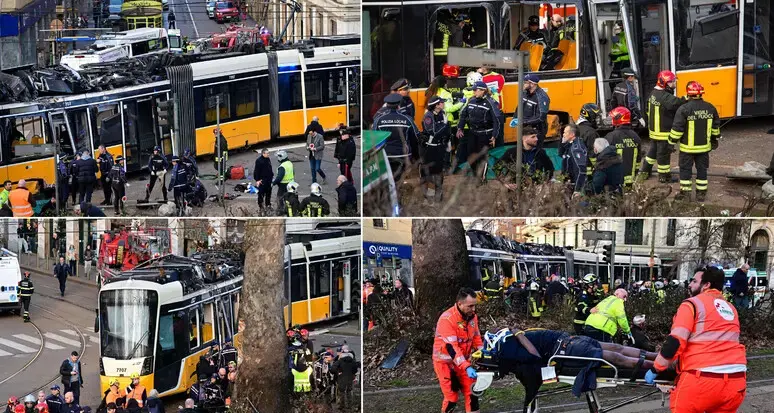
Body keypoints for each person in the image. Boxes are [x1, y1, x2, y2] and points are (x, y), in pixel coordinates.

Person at [645, 267, 747, 412]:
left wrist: (656, 368)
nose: (690, 284)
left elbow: (675, 342)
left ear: (706, 285)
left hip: (701, 379)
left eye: (694, 281)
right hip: (736, 382)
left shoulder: (692, 304)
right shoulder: (730, 309)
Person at [480, 327, 658, 410]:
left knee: (616, 355)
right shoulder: (514, 337)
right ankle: (660, 358)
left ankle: (659, 362)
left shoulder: (512, 344)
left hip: (567, 347)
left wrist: (518, 335)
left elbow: (533, 357)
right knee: (616, 351)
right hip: (570, 341)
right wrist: (517, 333)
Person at [432, 288, 483, 413]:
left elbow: (476, 337)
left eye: (474, 306)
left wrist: (483, 353)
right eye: (470, 306)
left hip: (462, 362)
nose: (473, 309)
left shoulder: (472, 317)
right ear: (460, 304)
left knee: (472, 392)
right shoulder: (447, 320)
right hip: (445, 363)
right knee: (451, 398)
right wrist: (466, 366)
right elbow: (452, 348)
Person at [669, 80, 720, 202]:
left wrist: (670, 143)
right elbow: (715, 128)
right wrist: (714, 140)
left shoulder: (684, 109)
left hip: (687, 149)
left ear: (689, 94)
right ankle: (701, 194)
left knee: (685, 170)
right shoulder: (710, 108)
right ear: (701, 93)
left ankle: (685, 195)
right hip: (704, 149)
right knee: (702, 170)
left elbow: (677, 129)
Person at [639, 70, 686, 182]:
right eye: (672, 82)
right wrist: (687, 98)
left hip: (654, 132)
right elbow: (677, 103)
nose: (674, 83)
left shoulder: (653, 93)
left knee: (652, 153)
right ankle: (664, 177)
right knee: (664, 155)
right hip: (663, 133)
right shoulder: (665, 96)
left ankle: (645, 172)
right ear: (664, 83)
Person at [456, 81, 500, 178]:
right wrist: (460, 127)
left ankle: (481, 178)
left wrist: (494, 135)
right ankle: (476, 175)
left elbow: (496, 120)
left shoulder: (490, 102)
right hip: (473, 133)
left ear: (483, 91)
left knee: (482, 157)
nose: (474, 92)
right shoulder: (471, 100)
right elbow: (463, 114)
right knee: (470, 156)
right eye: (473, 90)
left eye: (476, 90)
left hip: (485, 134)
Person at [371, 93, 419, 181]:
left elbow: (374, 140)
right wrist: (415, 156)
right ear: (399, 105)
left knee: (388, 180)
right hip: (403, 155)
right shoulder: (407, 119)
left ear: (387, 105)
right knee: (399, 179)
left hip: (385, 156)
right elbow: (415, 138)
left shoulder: (379, 120)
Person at [421, 95, 451, 201]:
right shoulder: (428, 116)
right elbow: (433, 132)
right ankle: (426, 194)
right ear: (436, 105)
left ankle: (439, 192)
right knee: (426, 171)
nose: (443, 104)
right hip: (429, 149)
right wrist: (445, 125)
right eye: (442, 102)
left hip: (440, 147)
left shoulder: (442, 114)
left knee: (439, 171)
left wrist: (447, 139)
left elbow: (447, 131)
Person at [605, 106, 642, 189]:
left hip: (615, 181)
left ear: (618, 118)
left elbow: (604, 158)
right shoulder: (635, 137)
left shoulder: (611, 136)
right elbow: (638, 159)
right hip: (630, 181)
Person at [520, 74, 550, 148]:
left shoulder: (542, 97)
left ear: (532, 84)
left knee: (535, 153)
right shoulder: (524, 93)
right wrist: (515, 117)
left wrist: (524, 122)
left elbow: (541, 117)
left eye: (525, 82)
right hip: (525, 128)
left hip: (537, 130)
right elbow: (519, 107)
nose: (523, 84)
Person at [559, 123, 587, 197]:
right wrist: (562, 142)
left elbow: (581, 170)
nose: (563, 135)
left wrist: (578, 189)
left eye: (565, 132)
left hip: (575, 185)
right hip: (569, 183)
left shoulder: (576, 148)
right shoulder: (570, 145)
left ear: (572, 134)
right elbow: (561, 155)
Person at [330, 345, 360, 410]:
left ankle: (342, 406)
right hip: (350, 378)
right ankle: (349, 405)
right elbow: (355, 370)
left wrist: (338, 372)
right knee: (349, 391)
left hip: (341, 378)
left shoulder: (340, 361)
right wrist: (352, 373)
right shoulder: (352, 361)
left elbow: (332, 369)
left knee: (342, 392)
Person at [608, 21, 630, 94]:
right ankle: (614, 98)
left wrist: (618, 43)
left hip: (624, 63)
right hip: (616, 63)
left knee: (621, 83)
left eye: (621, 25)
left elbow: (627, 50)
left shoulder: (626, 36)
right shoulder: (618, 36)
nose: (620, 27)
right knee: (611, 82)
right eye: (619, 25)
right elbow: (614, 50)